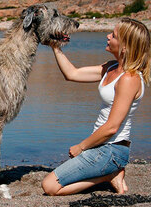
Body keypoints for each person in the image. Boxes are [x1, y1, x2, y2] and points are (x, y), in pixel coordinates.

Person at [41, 17, 151, 196]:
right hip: (99, 146)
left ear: (125, 47)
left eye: (113, 36)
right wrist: (55, 46)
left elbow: (112, 127)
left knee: (50, 186)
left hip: (112, 149)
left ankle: (108, 175)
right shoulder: (111, 67)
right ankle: (109, 173)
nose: (108, 36)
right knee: (53, 183)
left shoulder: (129, 79)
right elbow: (72, 73)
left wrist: (81, 146)